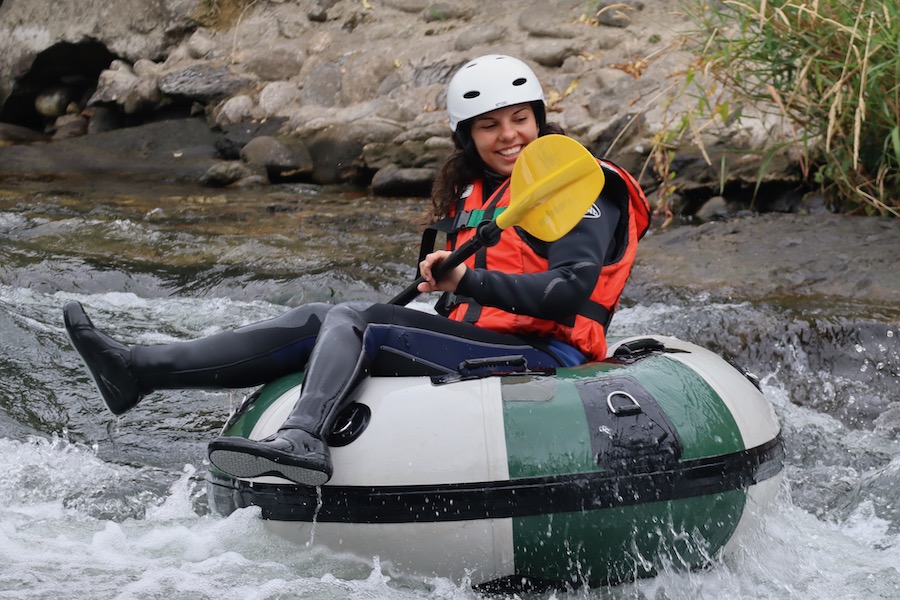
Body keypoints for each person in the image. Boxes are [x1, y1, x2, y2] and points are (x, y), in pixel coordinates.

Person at [64, 54, 650, 487]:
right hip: (489, 339)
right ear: (467, 136)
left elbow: (566, 294)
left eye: (520, 119)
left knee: (357, 320)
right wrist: (449, 283)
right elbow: (470, 294)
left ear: (540, 119)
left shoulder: (581, 187)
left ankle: (304, 439)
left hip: (549, 357)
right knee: (322, 318)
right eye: (489, 126)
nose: (509, 137)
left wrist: (464, 280)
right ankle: (138, 370)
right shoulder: (477, 191)